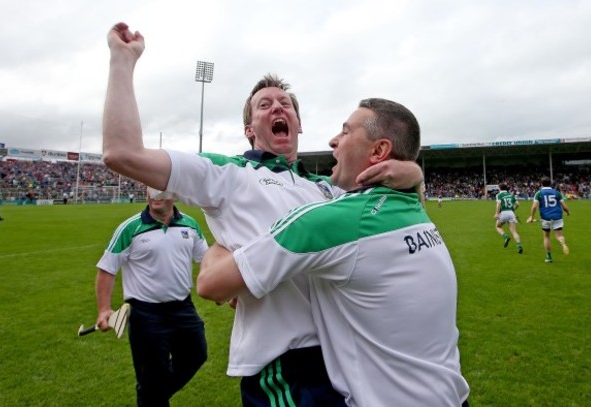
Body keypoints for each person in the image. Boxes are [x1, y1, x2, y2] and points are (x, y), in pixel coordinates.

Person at [101, 22, 423, 406]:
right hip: (286, 364)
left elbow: (398, 212)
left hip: (347, 356)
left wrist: (415, 174)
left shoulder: (326, 188)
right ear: (249, 129)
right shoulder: (228, 173)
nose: (278, 107)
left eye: (285, 103)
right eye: (264, 105)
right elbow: (122, 153)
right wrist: (123, 60)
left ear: (299, 124)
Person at [197, 98, 470, 406]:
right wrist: (414, 173)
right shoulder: (414, 213)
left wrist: (218, 247)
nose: (333, 140)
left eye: (345, 130)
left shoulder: (334, 220)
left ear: (379, 151)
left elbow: (210, 284)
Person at [95, 187, 209, 406]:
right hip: (145, 314)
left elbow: (206, 260)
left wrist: (219, 288)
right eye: (151, 191)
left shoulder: (190, 224)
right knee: (151, 374)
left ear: (174, 195)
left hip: (183, 308)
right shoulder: (129, 228)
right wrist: (104, 309)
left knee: (196, 354)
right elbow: (107, 269)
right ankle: (152, 395)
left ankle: (151, 396)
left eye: (162, 191)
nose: (155, 197)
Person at [526, 176, 570, 263]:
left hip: (545, 218)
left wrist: (532, 217)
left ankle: (548, 257)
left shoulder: (539, 193)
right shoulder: (557, 192)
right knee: (559, 235)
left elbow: (534, 207)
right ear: (550, 183)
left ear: (541, 184)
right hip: (557, 216)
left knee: (546, 237)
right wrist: (568, 212)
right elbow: (564, 206)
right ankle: (562, 242)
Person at [494, 183, 523, 253]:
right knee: (514, 231)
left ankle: (505, 237)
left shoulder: (499, 195)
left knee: (498, 226)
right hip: (511, 213)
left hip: (503, 213)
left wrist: (497, 213)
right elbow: (518, 204)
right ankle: (519, 246)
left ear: (500, 188)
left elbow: (498, 204)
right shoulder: (510, 195)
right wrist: (513, 210)